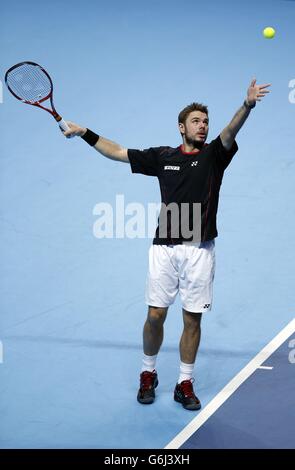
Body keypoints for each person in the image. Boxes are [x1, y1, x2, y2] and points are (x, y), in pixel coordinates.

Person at [63, 78, 270, 410]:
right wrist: (85, 132)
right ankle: (148, 373)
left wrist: (247, 105)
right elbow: (117, 152)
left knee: (192, 320)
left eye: (205, 122)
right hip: (164, 249)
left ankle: (184, 382)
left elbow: (231, 131)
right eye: (196, 122)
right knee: (156, 315)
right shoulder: (162, 156)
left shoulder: (215, 155)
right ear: (181, 127)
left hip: (200, 250)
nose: (203, 127)